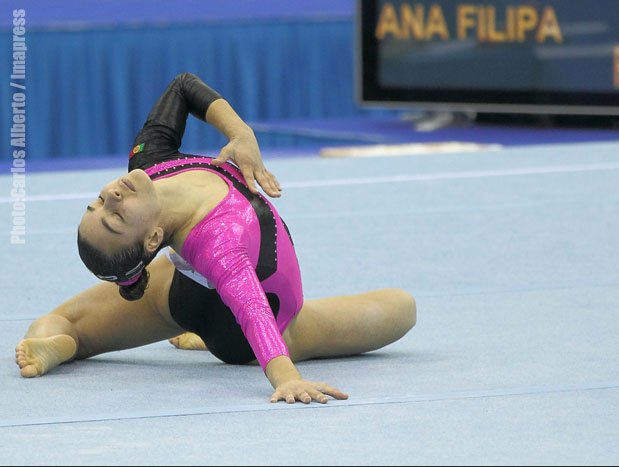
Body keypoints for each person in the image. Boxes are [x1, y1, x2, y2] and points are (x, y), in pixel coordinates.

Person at [14, 73, 416, 404]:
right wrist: (286, 377)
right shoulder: (217, 239)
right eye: (116, 217)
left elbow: (183, 86)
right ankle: (64, 344)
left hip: (176, 295)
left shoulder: (150, 162)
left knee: (67, 321)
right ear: (154, 237)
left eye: (98, 203)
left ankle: (61, 343)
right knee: (402, 308)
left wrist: (240, 134)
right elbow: (254, 310)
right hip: (247, 333)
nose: (112, 197)